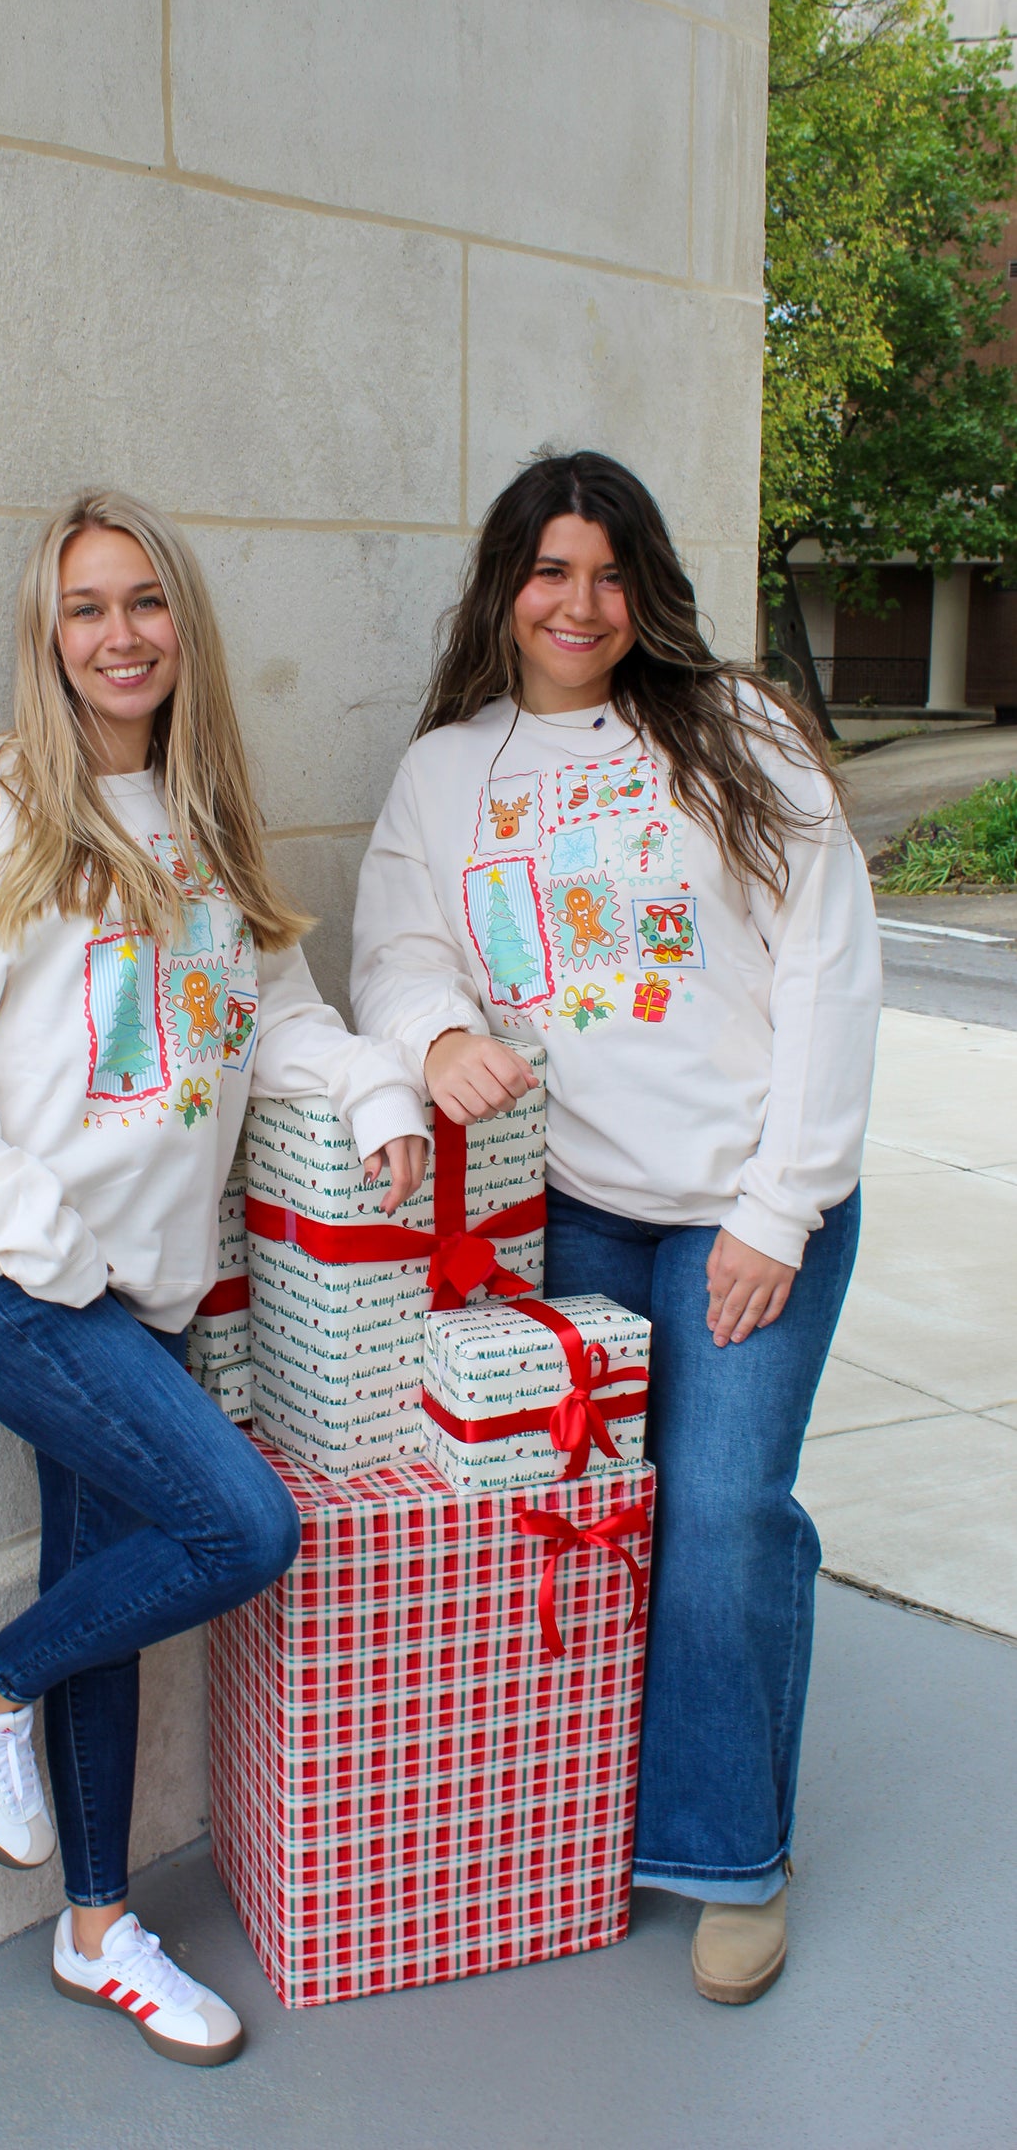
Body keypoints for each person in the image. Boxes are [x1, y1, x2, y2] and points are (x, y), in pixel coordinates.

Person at [0, 490, 428, 2065]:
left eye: (143, 602)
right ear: (48, 638)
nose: (119, 635)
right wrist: (45, 1247)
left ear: (183, 623)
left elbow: (281, 1010)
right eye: (84, 608)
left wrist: (379, 1090)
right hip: (8, 1278)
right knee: (241, 1524)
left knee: (104, 1589)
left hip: (137, 1300)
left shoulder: (209, 813)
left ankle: (97, 1927)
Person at [350, 449, 880, 2005]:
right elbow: (392, 948)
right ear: (503, 588)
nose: (578, 603)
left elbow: (828, 973)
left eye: (607, 569)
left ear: (645, 585)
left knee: (718, 1518)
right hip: (570, 1219)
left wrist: (778, 1208)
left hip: (744, 1210)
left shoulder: (737, 731)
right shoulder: (448, 771)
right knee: (584, 1529)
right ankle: (577, 1820)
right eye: (548, 569)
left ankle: (728, 1857)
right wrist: (438, 1031)